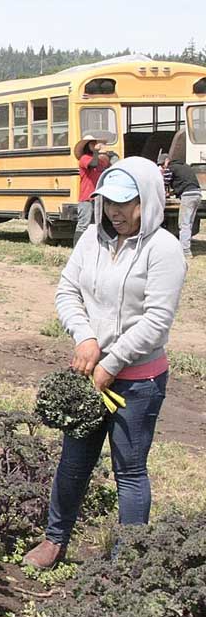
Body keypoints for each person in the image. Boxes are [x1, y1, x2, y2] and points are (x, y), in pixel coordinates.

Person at [23, 157, 187, 570]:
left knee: (129, 471)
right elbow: (67, 291)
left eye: (125, 203)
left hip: (138, 383)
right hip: (90, 372)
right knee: (73, 460)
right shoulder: (92, 240)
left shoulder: (163, 250)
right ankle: (55, 540)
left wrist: (111, 363)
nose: (114, 211)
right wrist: (86, 337)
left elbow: (156, 321)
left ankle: (127, 562)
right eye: (108, 202)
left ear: (146, 201)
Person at [73, 135, 117, 245]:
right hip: (87, 198)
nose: (95, 145)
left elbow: (112, 164)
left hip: (98, 197)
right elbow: (93, 164)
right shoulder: (84, 158)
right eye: (92, 143)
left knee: (97, 224)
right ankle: (77, 247)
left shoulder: (101, 160)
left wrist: (109, 154)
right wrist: (97, 152)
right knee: (84, 224)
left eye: (95, 143)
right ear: (88, 146)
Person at [163, 155, 201, 259]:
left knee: (184, 224)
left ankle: (185, 251)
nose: (163, 166)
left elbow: (164, 183)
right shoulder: (185, 166)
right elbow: (183, 181)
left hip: (188, 196)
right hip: (197, 194)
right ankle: (186, 247)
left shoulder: (171, 168)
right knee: (189, 223)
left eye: (163, 164)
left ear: (167, 161)